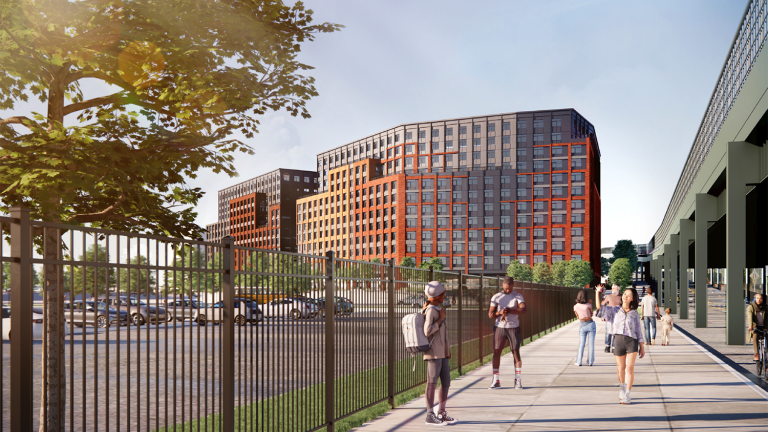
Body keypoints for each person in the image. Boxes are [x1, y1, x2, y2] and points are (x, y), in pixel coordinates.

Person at [422, 281, 458, 426]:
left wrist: (447, 350)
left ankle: (441, 413)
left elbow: (443, 335)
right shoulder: (431, 310)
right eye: (443, 293)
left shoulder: (437, 308)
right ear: (437, 296)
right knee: (432, 383)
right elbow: (427, 331)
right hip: (433, 353)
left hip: (442, 352)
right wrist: (441, 319)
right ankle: (430, 415)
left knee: (446, 382)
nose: (445, 295)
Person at [488, 276, 527, 389]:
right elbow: (490, 314)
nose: (508, 290)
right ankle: (496, 380)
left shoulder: (517, 296)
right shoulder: (497, 296)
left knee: (515, 352)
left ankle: (518, 380)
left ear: (512, 286)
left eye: (509, 288)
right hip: (499, 327)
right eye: (506, 288)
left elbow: (524, 310)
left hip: (513, 327)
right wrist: (500, 312)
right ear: (502, 286)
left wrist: (510, 310)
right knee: (496, 352)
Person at [612, 287, 645, 404]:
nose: (625, 296)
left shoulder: (635, 313)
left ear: (632, 298)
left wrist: (642, 346)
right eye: (624, 294)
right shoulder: (615, 310)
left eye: (629, 295)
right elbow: (600, 309)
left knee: (629, 368)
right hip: (619, 340)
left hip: (632, 341)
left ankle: (627, 394)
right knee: (620, 367)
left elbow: (638, 330)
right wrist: (597, 293)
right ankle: (622, 389)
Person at [573, 289, 595, 366]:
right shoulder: (589, 305)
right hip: (590, 323)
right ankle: (590, 362)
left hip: (582, 324)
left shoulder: (575, 306)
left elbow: (578, 316)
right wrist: (590, 304)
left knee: (581, 344)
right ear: (586, 297)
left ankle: (578, 362)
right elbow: (591, 314)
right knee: (591, 344)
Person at [601, 284, 622, 353]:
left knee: (616, 332)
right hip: (609, 317)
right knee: (608, 332)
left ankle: (614, 346)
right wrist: (602, 315)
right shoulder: (609, 296)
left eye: (613, 288)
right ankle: (607, 346)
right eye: (612, 288)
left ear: (618, 289)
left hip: (618, 317)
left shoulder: (621, 297)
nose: (612, 289)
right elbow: (603, 304)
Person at [747, 294, 766, 361]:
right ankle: (756, 354)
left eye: (760, 298)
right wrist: (750, 325)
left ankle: (766, 361)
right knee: (755, 336)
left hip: (765, 327)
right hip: (756, 327)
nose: (759, 299)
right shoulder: (751, 307)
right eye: (757, 298)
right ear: (755, 299)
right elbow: (750, 316)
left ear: (763, 299)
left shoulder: (766, 307)